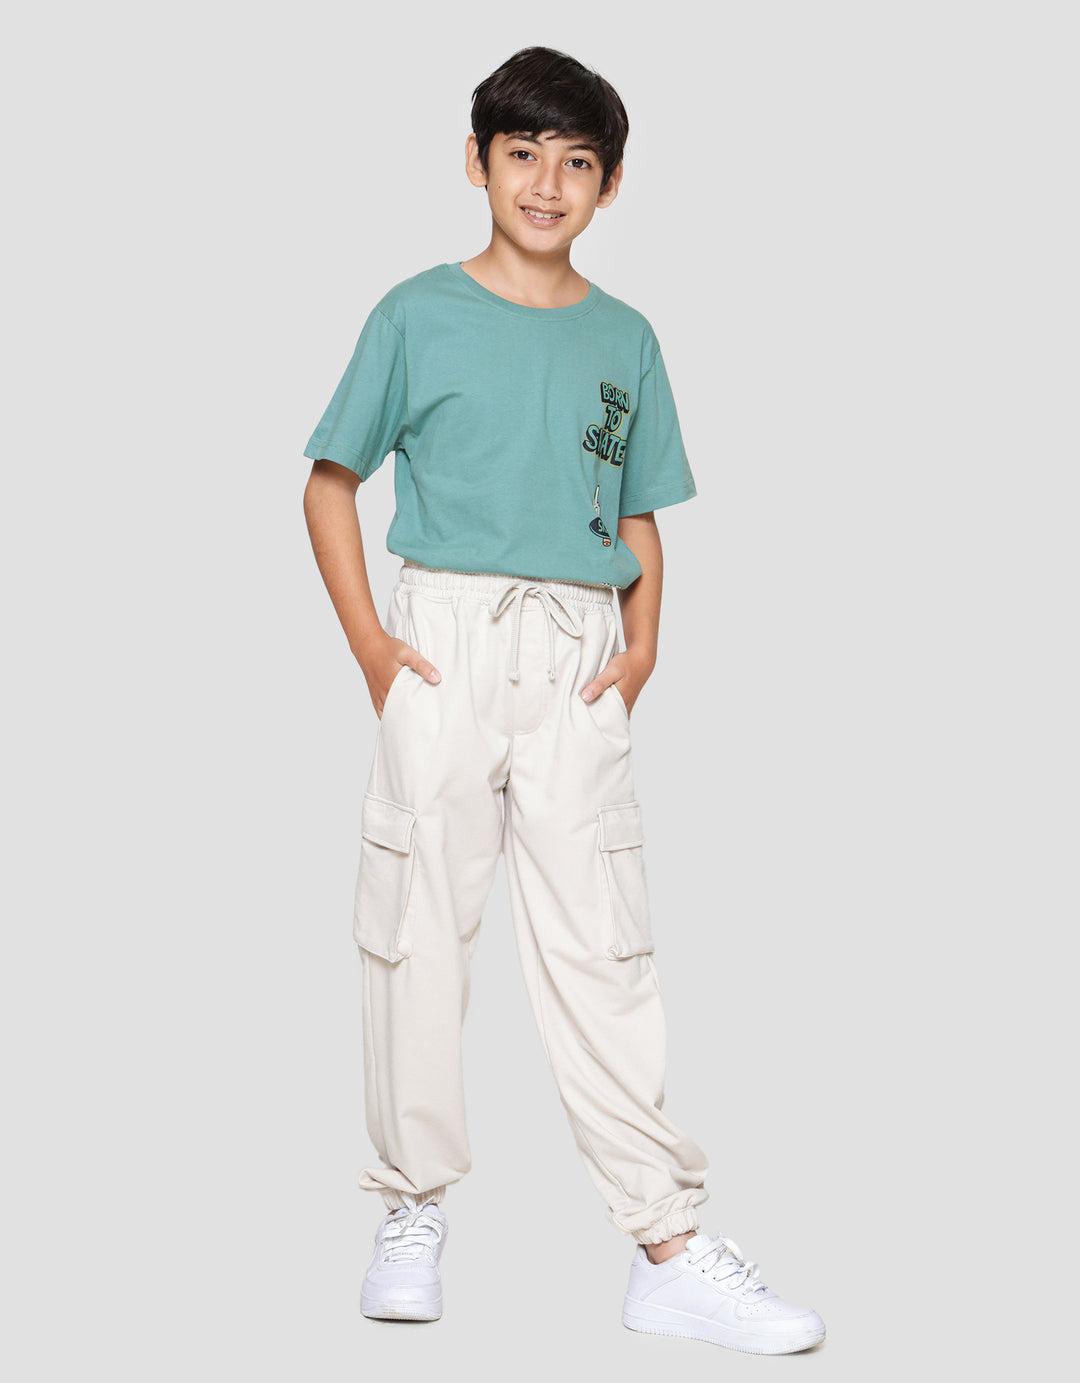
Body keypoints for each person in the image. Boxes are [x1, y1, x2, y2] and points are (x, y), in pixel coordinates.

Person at [301, 45, 825, 1355]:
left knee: (605, 944)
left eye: (577, 161)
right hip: (443, 642)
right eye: (523, 154)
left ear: (611, 183)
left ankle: (667, 1248)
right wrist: (372, 646)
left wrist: (641, 649)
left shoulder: (624, 337)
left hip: (579, 652)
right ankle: (410, 1209)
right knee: (416, 927)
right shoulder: (415, 314)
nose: (547, 182)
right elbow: (330, 480)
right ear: (477, 163)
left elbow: (640, 512)